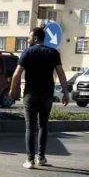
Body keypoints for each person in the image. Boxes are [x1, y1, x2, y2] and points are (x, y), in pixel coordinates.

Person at [9, 27, 70, 169]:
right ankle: (41, 157)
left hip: (31, 93)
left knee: (30, 126)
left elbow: (17, 73)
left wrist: (13, 90)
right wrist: (65, 92)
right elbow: (60, 73)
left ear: (35, 38)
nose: (28, 39)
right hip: (47, 94)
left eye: (29, 37)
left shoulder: (27, 52)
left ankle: (30, 160)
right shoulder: (53, 53)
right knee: (43, 125)